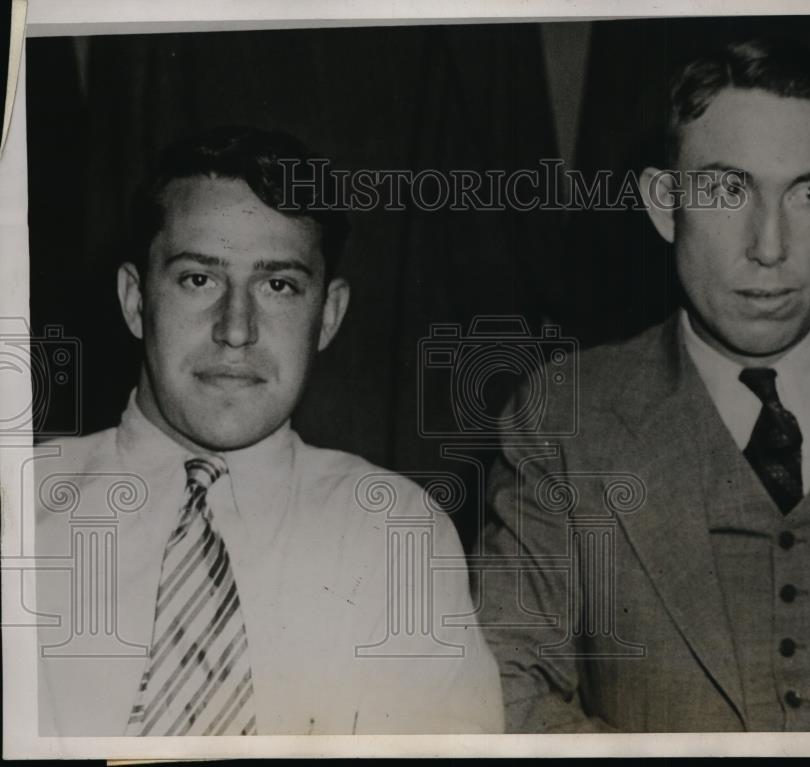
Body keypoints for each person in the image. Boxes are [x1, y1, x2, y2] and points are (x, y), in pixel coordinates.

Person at [477, 38, 810, 732]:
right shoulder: (561, 420)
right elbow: (507, 684)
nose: (770, 246)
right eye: (726, 189)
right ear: (664, 204)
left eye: (808, 193)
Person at [33, 126, 503, 736]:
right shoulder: (19, 509)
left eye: (278, 285)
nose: (236, 329)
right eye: (199, 279)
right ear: (134, 300)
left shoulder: (394, 536)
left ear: (327, 315)